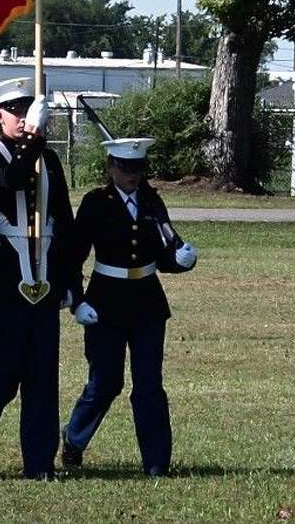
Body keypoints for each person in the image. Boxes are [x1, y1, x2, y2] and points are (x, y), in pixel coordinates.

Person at [60, 137, 199, 477]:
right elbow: (73, 255)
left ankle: (156, 462)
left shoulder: (152, 202)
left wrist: (182, 260)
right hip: (105, 302)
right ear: (111, 168)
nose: (132, 175)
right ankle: (74, 439)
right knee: (105, 382)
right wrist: (77, 301)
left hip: (148, 304)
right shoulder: (97, 203)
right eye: (125, 168)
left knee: (149, 385)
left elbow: (164, 253)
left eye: (138, 168)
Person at [0, 77, 80, 480]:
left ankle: (39, 462)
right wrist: (32, 137)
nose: (22, 117)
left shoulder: (48, 161)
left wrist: (72, 283)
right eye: (15, 111)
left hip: (45, 279)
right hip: (5, 279)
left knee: (43, 375)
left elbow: (64, 223)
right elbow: (8, 182)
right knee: (10, 367)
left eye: (28, 110)